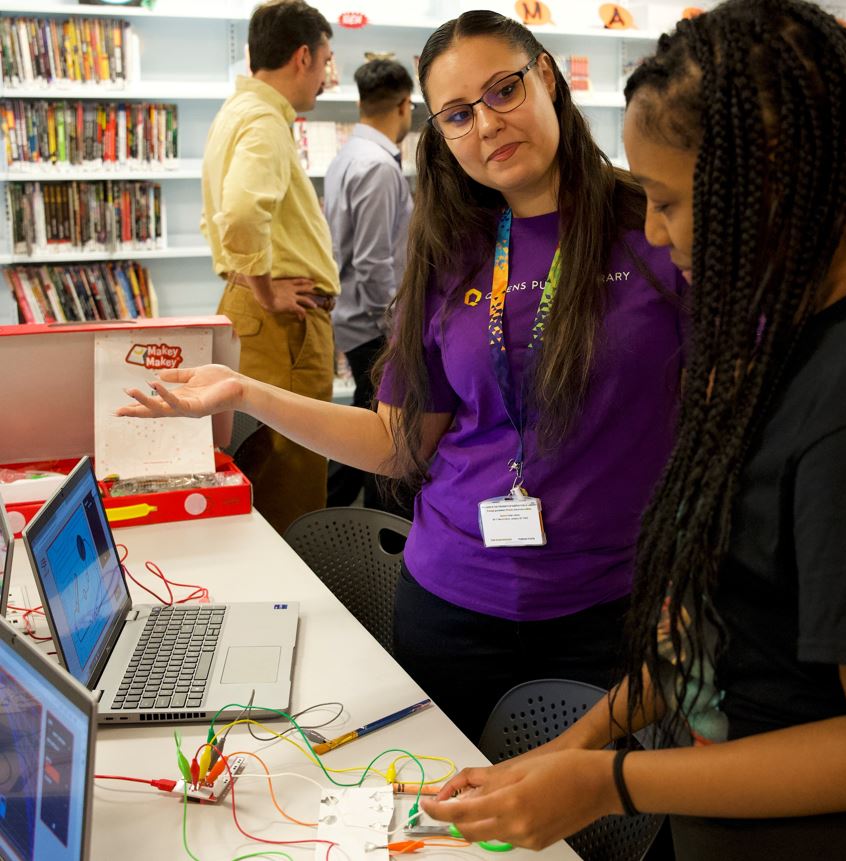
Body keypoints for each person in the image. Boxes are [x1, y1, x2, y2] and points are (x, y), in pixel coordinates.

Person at [420, 3, 846, 859]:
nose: (653, 231)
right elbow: (725, 620)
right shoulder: (798, 338)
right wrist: (571, 746)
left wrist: (609, 780)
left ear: (768, 178)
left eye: (669, 202)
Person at [118, 11, 684, 743]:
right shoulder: (453, 247)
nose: (485, 126)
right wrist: (247, 392)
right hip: (448, 604)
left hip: (609, 614)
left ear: (545, 76)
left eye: (503, 90)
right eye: (456, 114)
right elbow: (397, 444)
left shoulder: (656, 225)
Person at [201, 0, 339, 535]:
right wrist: (266, 291)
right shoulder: (264, 121)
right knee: (292, 476)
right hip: (283, 323)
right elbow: (238, 212)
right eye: (326, 60)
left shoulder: (237, 112)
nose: (326, 77)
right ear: (303, 56)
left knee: (258, 464)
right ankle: (302, 609)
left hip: (255, 313)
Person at [324, 58, 415, 511]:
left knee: (361, 435)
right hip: (376, 326)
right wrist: (400, 327)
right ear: (405, 105)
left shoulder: (347, 156)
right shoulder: (379, 166)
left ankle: (333, 528)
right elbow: (375, 261)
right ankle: (377, 543)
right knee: (383, 443)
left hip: (354, 319)